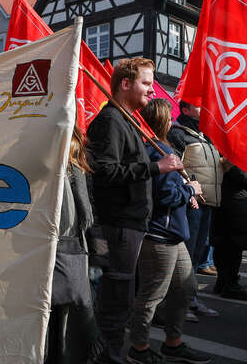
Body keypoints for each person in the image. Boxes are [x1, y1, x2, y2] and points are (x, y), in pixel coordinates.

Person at [86, 58, 184, 364]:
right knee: (116, 299)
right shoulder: (111, 120)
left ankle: (113, 353)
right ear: (125, 84)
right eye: (146, 83)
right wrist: (157, 166)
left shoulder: (126, 120)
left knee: (123, 296)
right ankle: (110, 357)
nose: (152, 90)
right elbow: (104, 170)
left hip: (130, 224)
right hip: (118, 225)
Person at [126, 99, 210, 364]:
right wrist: (189, 191)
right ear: (163, 120)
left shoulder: (162, 148)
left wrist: (187, 192)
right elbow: (164, 195)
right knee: (152, 295)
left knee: (185, 288)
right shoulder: (156, 151)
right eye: (169, 117)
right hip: (160, 234)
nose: (174, 121)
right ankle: (138, 348)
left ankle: (172, 344)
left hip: (174, 234)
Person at [45, 126, 96, 364]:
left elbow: (85, 217)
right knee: (57, 318)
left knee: (62, 319)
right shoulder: (58, 172)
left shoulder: (74, 172)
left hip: (72, 247)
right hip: (60, 248)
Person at [167, 100, 222, 320]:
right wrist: (188, 191)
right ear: (186, 110)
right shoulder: (178, 134)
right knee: (186, 255)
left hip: (208, 200)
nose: (205, 107)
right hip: (192, 202)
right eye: (199, 105)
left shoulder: (204, 134)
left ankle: (192, 299)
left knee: (198, 254)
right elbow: (176, 167)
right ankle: (179, 304)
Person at [211, 162, 247, 300]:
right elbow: (243, 178)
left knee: (225, 246)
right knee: (233, 247)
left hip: (225, 205)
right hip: (233, 207)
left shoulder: (226, 157)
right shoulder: (232, 160)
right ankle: (230, 285)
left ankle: (223, 282)